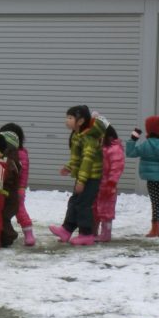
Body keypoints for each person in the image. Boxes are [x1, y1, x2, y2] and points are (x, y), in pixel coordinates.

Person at [49, 105, 105, 246]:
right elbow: (77, 157)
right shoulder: (76, 135)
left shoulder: (88, 138)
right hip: (83, 176)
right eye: (66, 117)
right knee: (74, 202)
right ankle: (66, 230)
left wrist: (81, 181)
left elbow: (87, 160)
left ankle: (86, 234)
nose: (66, 120)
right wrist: (69, 167)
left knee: (83, 205)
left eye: (70, 118)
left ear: (80, 121)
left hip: (91, 177)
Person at [0, 122, 34, 246]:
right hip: (5, 188)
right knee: (4, 211)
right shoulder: (4, 153)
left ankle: (29, 234)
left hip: (17, 189)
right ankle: (3, 233)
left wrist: (22, 188)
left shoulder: (21, 154)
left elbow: (23, 173)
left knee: (19, 210)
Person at [92, 119, 125, 243]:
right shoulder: (101, 146)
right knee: (94, 208)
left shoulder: (114, 148)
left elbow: (117, 167)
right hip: (97, 182)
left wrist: (111, 182)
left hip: (108, 184)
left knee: (106, 210)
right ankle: (93, 231)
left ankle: (106, 234)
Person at [0, 130, 23, 248]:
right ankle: (3, 237)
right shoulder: (8, 158)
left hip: (9, 198)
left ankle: (9, 237)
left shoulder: (9, 161)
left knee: (3, 217)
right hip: (8, 197)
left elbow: (6, 177)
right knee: (2, 217)